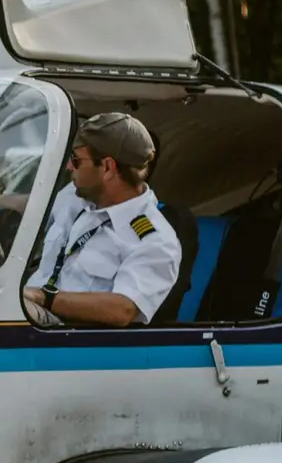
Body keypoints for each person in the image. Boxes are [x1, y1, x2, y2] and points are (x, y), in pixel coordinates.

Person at [22, 112, 183, 328]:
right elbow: (37, 209)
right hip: (27, 311)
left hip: (67, 337)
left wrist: (41, 297)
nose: (69, 167)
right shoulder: (76, 195)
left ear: (107, 167)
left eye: (76, 160)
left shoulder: (155, 240)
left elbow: (122, 308)